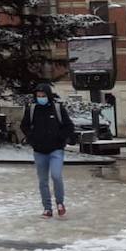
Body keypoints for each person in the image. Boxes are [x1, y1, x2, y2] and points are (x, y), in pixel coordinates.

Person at [20, 81, 75, 218]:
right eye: (38, 95)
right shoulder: (32, 110)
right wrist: (32, 138)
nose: (41, 97)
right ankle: (47, 207)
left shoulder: (57, 109)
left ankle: (60, 203)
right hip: (39, 150)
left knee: (56, 175)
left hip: (56, 149)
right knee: (43, 180)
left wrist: (60, 138)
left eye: (43, 95)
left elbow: (68, 126)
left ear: (48, 95)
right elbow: (24, 126)